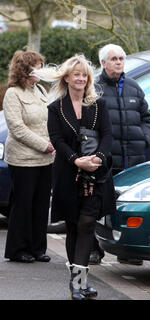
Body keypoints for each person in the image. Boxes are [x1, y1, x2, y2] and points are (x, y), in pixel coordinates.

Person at [33, 54, 115, 299]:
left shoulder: (98, 105)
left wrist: (98, 157)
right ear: (67, 78)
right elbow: (56, 139)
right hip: (69, 174)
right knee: (73, 227)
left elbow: (109, 135)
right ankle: (77, 282)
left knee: (87, 224)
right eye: (76, 74)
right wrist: (76, 160)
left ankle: (79, 283)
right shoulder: (55, 108)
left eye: (84, 75)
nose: (80, 78)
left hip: (96, 175)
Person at [89, 44, 150, 266]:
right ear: (103, 63)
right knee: (96, 206)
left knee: (126, 206)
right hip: (106, 159)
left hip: (132, 159)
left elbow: (146, 117)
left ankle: (128, 250)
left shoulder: (134, 87)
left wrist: (144, 138)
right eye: (114, 58)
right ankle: (93, 249)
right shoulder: (94, 88)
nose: (119, 62)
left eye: (121, 58)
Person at [2, 50, 54, 263]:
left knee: (41, 204)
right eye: (38, 66)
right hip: (23, 159)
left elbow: (47, 119)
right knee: (23, 204)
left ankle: (37, 248)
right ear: (25, 70)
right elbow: (17, 128)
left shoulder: (40, 89)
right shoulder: (12, 94)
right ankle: (18, 249)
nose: (41, 70)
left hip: (46, 158)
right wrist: (44, 145)